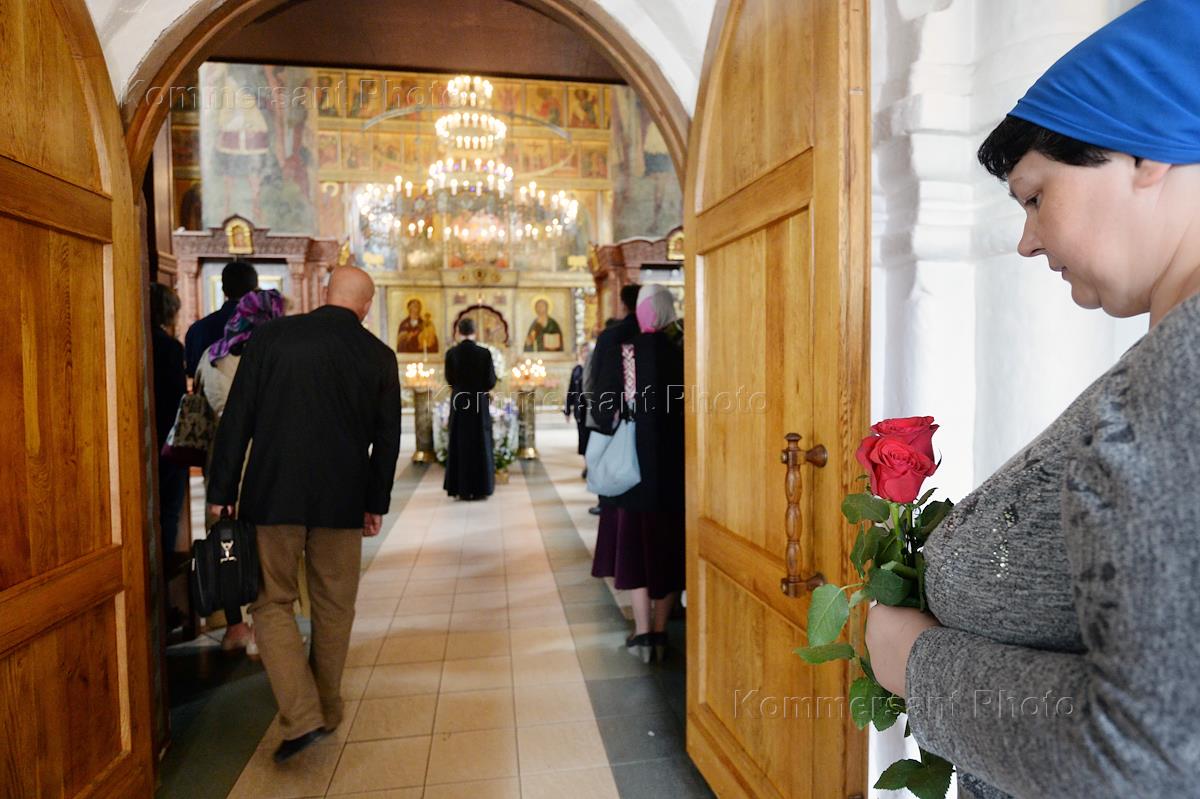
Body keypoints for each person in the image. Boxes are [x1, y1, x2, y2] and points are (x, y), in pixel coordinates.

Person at [864, 3, 1200, 797]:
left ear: (1146, 155)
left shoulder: (1178, 381)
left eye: (1035, 196)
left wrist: (915, 663)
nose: (1026, 240)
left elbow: (1149, 758)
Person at [206, 267, 401, 763]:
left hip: (274, 496)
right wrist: (375, 502)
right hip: (343, 502)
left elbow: (238, 419)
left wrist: (222, 490)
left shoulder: (272, 338)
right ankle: (327, 709)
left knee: (271, 602)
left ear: (324, 293)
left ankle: (302, 715)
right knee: (335, 605)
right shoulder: (379, 355)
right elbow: (388, 440)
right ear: (366, 307)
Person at [589, 284, 687, 663]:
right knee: (668, 548)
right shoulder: (682, 353)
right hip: (674, 470)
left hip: (633, 470)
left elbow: (603, 410)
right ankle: (662, 630)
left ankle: (643, 632)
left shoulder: (624, 352)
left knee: (636, 550)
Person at [198, 288, 285, 652]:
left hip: (220, 459)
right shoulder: (271, 354)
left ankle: (234, 627)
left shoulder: (211, 355)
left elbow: (203, 402)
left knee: (226, 541)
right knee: (265, 542)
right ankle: (264, 629)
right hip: (262, 457)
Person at [150, 283, 187, 560]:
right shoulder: (169, 347)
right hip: (167, 437)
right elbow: (178, 399)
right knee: (169, 508)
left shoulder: (128, 339)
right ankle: (164, 569)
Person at [443, 317, 498, 500]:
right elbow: (490, 381)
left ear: (458, 332)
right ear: (475, 331)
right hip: (478, 402)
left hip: (459, 402)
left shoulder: (452, 353)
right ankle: (481, 488)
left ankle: (461, 489)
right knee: (480, 441)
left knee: (460, 441)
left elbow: (450, 379)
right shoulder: (484, 353)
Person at [184, 259, 258, 377]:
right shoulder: (264, 328)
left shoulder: (197, 329)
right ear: (254, 290)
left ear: (223, 289)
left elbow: (193, 372)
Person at [564, 345, 591, 478]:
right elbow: (571, 391)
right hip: (580, 410)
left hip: (592, 411)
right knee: (583, 439)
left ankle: (592, 466)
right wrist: (567, 410)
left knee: (592, 438)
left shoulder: (594, 367)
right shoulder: (577, 370)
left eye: (587, 351)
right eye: (583, 351)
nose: (585, 354)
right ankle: (587, 465)